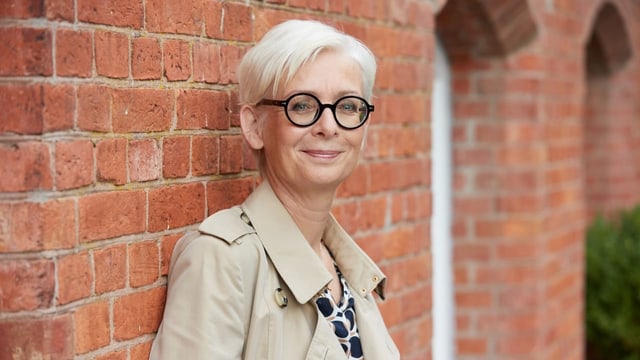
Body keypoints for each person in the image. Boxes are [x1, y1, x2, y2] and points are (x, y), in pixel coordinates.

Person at [150, 19, 400, 360]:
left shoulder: (345, 267)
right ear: (254, 126)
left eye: (347, 106)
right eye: (302, 105)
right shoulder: (223, 261)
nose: (328, 126)